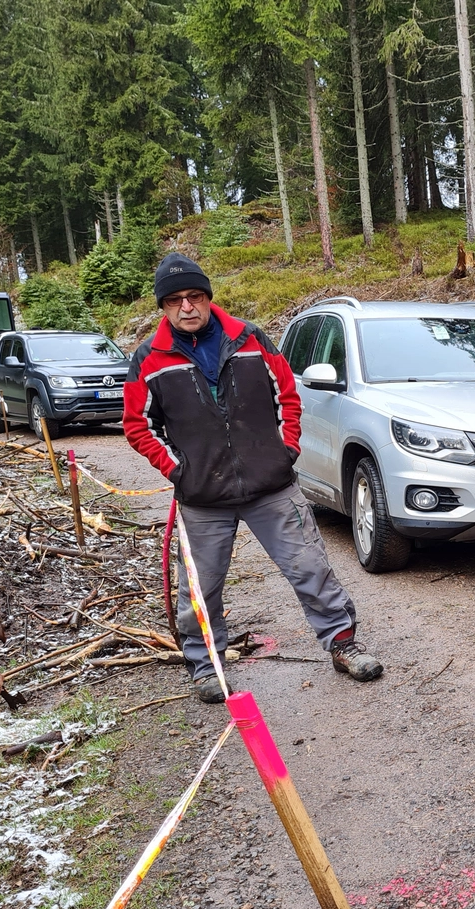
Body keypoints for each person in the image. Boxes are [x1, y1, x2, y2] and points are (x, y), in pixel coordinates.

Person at [123, 252, 383, 702]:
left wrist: (286, 451)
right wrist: (177, 469)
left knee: (310, 568)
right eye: (176, 300)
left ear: (208, 298)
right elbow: (138, 425)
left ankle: (344, 645)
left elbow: (288, 396)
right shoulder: (150, 358)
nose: (188, 306)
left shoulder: (249, 339)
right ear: (163, 307)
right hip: (203, 498)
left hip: (272, 488)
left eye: (196, 296)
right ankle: (207, 669)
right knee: (201, 589)